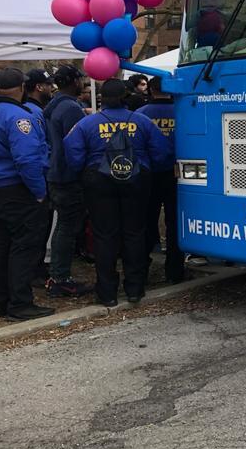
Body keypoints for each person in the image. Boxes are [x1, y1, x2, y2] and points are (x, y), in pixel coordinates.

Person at [64, 79, 167, 307]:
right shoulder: (143, 121)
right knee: (135, 233)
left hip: (99, 182)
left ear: (102, 98)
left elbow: (72, 152)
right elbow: (161, 152)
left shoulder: (87, 123)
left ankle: (107, 293)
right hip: (137, 181)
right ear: (125, 97)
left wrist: (84, 173)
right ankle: (134, 289)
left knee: (104, 235)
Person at [0, 68, 54, 320]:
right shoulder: (20, 118)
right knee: (24, 246)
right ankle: (20, 303)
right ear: (21, 87)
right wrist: (39, 192)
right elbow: (27, 160)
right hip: (17, 189)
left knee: (1, 244)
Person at [42, 65, 93, 297]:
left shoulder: (53, 104)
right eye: (81, 79)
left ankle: (58, 274)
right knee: (67, 227)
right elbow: (75, 144)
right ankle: (60, 277)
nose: (83, 82)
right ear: (73, 81)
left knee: (63, 225)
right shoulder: (70, 107)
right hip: (68, 176)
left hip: (55, 172)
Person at [138, 77, 184, 283]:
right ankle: (175, 271)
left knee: (146, 221)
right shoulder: (182, 111)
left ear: (151, 90)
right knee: (175, 222)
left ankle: (141, 271)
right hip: (177, 173)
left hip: (148, 174)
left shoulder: (140, 114)